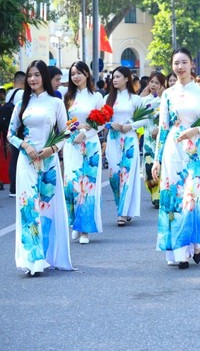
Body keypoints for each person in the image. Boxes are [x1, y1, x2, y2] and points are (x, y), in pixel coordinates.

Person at [151, 48, 200, 269]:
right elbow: (162, 128)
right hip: (172, 150)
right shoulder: (167, 94)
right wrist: (156, 159)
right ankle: (180, 251)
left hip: (195, 152)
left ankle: (196, 242)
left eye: (184, 62)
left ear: (192, 65)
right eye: (176, 63)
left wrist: (195, 132)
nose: (180, 67)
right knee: (174, 198)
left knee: (193, 197)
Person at [7, 60, 72, 276]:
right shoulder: (21, 105)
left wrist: (52, 149)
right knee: (28, 208)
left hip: (48, 163)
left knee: (46, 209)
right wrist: (24, 145)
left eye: (36, 75)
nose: (32, 79)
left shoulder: (55, 103)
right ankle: (32, 259)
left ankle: (46, 255)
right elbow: (10, 134)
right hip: (26, 162)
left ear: (44, 76)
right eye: (30, 75)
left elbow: (65, 132)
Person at [62, 61, 105, 245]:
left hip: (90, 145)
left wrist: (86, 132)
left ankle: (85, 229)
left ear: (87, 74)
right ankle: (76, 224)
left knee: (87, 187)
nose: (76, 77)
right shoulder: (67, 97)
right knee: (71, 185)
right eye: (73, 74)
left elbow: (102, 121)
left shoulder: (96, 97)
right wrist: (75, 130)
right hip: (72, 145)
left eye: (79, 73)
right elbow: (63, 121)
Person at [104, 66, 144, 227]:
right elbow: (99, 122)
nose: (115, 80)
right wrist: (109, 124)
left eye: (118, 77)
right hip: (113, 140)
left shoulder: (135, 99)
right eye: (113, 77)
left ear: (127, 79)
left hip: (129, 140)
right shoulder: (107, 99)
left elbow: (146, 119)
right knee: (114, 176)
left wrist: (131, 126)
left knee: (126, 175)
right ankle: (121, 207)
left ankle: (123, 212)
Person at [141, 72, 166, 208]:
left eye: (157, 83)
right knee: (148, 165)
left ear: (162, 85)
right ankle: (153, 192)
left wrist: (158, 129)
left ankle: (159, 194)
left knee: (160, 165)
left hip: (160, 138)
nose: (153, 85)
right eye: (151, 82)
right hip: (148, 138)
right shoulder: (145, 100)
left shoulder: (164, 100)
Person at [4, 71, 25, 197]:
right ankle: (17, 186)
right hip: (20, 131)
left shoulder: (9, 94)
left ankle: (13, 187)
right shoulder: (22, 94)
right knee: (19, 159)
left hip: (9, 129)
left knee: (13, 159)